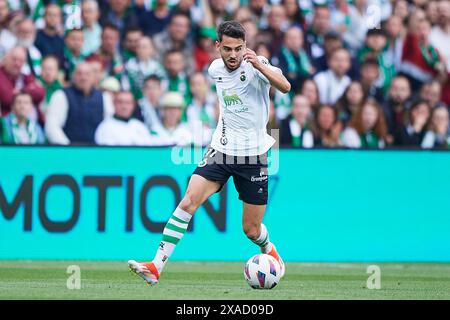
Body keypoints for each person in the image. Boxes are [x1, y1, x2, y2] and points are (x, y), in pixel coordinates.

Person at [128, 20, 290, 285]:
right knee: (188, 201)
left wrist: (260, 65)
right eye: (227, 48)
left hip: (253, 156)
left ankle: (269, 249)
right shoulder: (215, 69)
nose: (234, 54)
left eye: (239, 48)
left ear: (245, 46)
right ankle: (156, 267)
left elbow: (285, 87)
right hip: (221, 150)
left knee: (250, 230)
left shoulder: (257, 64)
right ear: (218, 47)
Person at [45, 61, 114, 145]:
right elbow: (52, 127)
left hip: (97, 153)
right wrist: (69, 149)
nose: (83, 77)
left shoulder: (104, 97)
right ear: (73, 76)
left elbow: (109, 127)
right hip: (68, 153)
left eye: (87, 74)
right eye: (79, 74)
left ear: (93, 77)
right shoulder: (61, 95)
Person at [94, 90, 162, 146]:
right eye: (120, 102)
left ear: (133, 105)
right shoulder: (105, 127)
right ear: (114, 103)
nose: (124, 106)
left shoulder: (140, 126)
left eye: (128, 103)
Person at [0, 46, 45, 117]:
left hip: (32, 124)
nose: (17, 64)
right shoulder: (1, 75)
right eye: (14, 59)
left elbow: (40, 92)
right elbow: (7, 98)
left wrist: (20, 91)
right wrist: (29, 90)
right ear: (5, 59)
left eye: (21, 61)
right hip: (7, 123)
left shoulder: (25, 76)